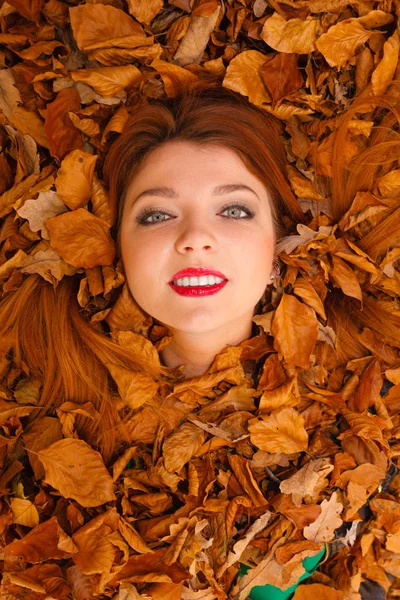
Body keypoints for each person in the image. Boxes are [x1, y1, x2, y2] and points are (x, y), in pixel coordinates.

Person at [0, 77, 397, 599]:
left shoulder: (373, 425)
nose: (194, 238)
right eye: (157, 215)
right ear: (115, 248)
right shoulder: (35, 427)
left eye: (233, 210)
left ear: (279, 248)